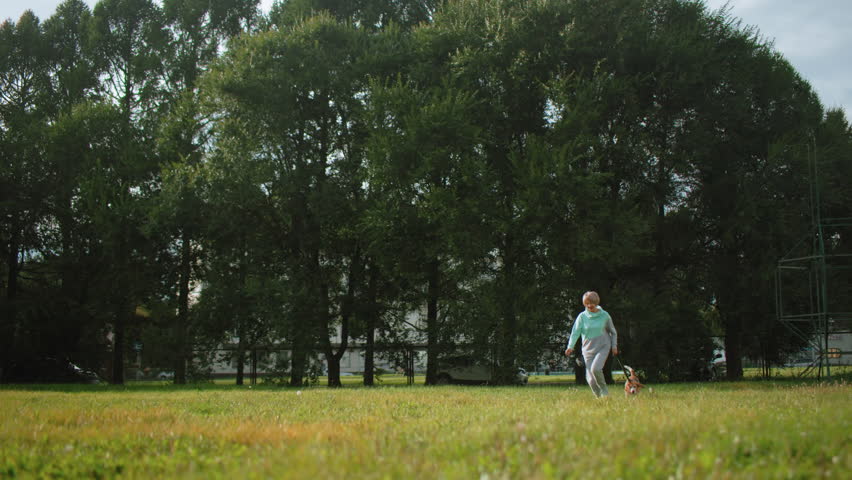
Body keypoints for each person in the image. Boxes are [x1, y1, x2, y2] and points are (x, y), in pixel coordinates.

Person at [564, 291, 618, 398]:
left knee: (596, 369)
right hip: (587, 349)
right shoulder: (582, 317)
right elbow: (575, 332)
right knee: (590, 379)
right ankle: (599, 398)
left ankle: (605, 392)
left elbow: (613, 332)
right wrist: (570, 346)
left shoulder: (604, 315)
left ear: (596, 302)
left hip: (603, 346)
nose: (589, 305)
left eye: (592, 303)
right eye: (587, 303)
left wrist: (614, 346)